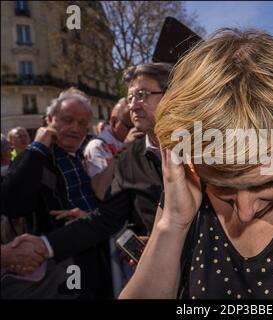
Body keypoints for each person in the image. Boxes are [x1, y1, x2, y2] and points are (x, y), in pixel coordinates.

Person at [119, 29, 273, 299]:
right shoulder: (188, 182)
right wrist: (172, 225)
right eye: (221, 186)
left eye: (268, 182)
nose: (244, 212)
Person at [8, 63, 172, 297]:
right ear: (50, 119)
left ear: (173, 97)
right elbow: (107, 218)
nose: (133, 104)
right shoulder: (126, 158)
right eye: (130, 96)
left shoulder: (204, 148)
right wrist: (44, 245)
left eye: (143, 95)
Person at [1, 91, 113, 298]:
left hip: (96, 252)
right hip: (62, 261)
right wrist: (38, 146)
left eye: (82, 123)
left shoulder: (84, 156)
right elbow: (12, 204)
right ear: (50, 120)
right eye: (67, 120)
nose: (75, 129)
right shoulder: (36, 158)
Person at [84, 97, 143, 200]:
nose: (135, 130)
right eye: (130, 126)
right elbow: (102, 191)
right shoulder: (97, 147)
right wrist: (125, 148)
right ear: (114, 122)